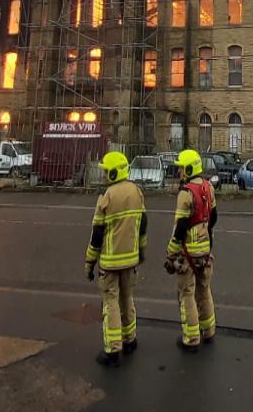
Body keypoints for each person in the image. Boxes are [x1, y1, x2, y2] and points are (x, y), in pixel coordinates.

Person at [85, 151, 148, 366]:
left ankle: (113, 350)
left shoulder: (106, 197)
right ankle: (130, 340)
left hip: (111, 261)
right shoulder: (137, 191)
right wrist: (141, 251)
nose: (103, 176)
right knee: (127, 298)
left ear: (112, 173)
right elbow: (143, 225)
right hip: (131, 259)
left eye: (105, 172)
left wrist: (89, 262)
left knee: (110, 302)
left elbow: (97, 235)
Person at [164, 148, 218, 352]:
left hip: (189, 251)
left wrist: (171, 253)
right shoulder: (208, 187)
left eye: (181, 169)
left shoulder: (186, 193)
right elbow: (213, 217)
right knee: (204, 290)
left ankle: (191, 338)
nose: (179, 173)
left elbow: (180, 227)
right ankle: (209, 330)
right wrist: (207, 236)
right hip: (205, 249)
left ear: (188, 169)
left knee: (187, 294)